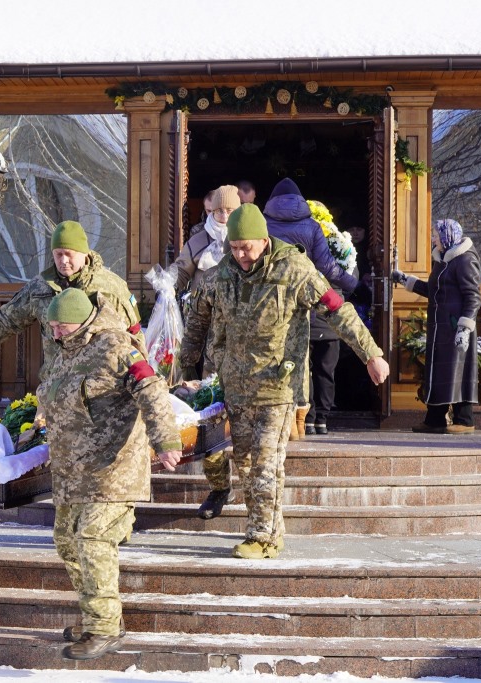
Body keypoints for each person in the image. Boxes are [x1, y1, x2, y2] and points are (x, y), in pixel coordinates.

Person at [178, 204, 389, 559]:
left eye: (247, 247)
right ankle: (271, 532)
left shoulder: (295, 271)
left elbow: (337, 309)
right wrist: (188, 371)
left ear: (265, 240)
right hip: (236, 385)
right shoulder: (220, 276)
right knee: (245, 462)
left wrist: (371, 354)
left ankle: (261, 537)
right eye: (234, 247)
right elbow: (197, 323)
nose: (241, 255)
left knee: (265, 460)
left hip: (278, 384)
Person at [37, 288, 182, 661]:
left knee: (92, 539)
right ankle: (96, 617)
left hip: (113, 470)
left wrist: (164, 439)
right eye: (51, 326)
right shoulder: (63, 353)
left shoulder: (117, 347)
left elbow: (151, 389)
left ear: (82, 320)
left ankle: (104, 629)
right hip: (73, 472)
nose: (55, 332)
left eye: (61, 325)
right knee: (67, 541)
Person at [0, 220, 142, 380]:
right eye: (58, 254)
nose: (63, 260)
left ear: (84, 253)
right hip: (57, 386)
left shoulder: (111, 287)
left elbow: (134, 334)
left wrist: (141, 377)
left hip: (100, 386)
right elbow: (3, 322)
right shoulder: (40, 287)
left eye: (69, 254)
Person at [264, 178, 360, 438]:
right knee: (308, 365)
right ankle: (305, 421)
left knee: (275, 362)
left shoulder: (263, 224)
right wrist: (353, 284)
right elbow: (328, 267)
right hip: (307, 302)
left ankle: (280, 421)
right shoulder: (312, 226)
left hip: (268, 305)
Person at [167, 185, 239, 519]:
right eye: (219, 211)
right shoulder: (198, 242)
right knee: (214, 415)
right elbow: (181, 273)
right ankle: (219, 485)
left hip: (247, 351)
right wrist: (166, 288)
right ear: (210, 212)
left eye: (230, 211)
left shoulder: (251, 243)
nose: (224, 216)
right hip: (210, 337)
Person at [393, 219, 481, 434]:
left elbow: (473, 296)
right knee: (439, 372)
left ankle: (465, 420)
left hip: (455, 327)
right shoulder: (442, 261)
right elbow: (434, 290)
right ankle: (434, 420)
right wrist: (405, 279)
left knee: (457, 371)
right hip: (439, 327)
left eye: (435, 235)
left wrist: (464, 328)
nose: (433, 239)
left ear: (447, 236)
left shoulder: (464, 260)